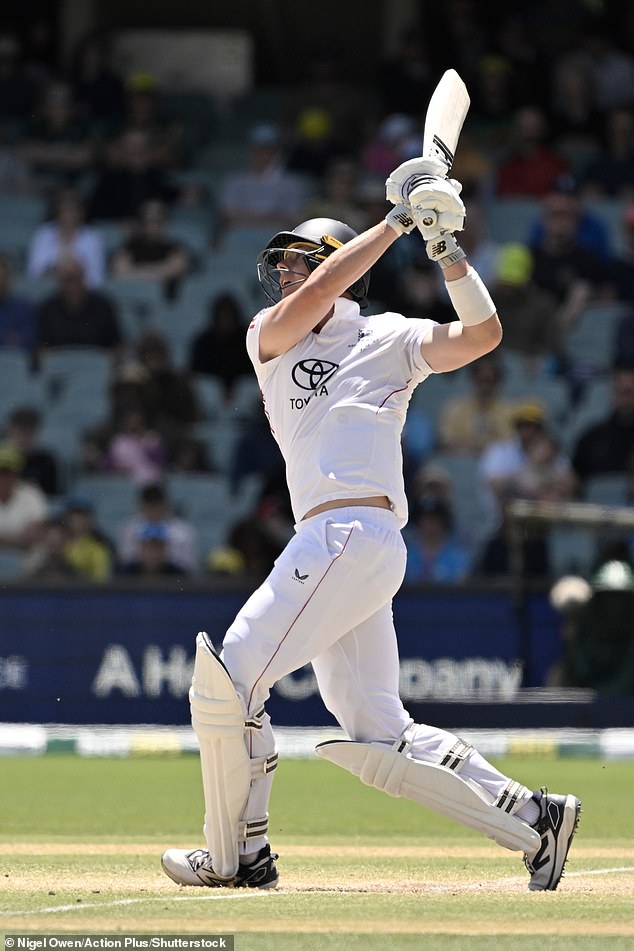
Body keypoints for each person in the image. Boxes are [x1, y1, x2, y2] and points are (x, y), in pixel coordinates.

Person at [161, 156, 580, 893]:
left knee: (227, 681)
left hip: (352, 536)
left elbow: (481, 335)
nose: (287, 276)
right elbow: (319, 293)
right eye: (282, 266)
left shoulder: (387, 336)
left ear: (343, 268)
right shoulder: (272, 335)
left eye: (299, 263)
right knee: (379, 730)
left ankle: (237, 857)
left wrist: (445, 247)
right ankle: (535, 817)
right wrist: (396, 220)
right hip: (337, 545)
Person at [110, 198, 191, 299]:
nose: (150, 226)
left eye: (156, 221)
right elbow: (119, 274)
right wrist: (158, 273)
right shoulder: (127, 248)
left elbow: (175, 269)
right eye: (146, 221)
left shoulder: (177, 249)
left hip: (166, 304)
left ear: (165, 223)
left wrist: (135, 272)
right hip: (131, 299)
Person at [27, 188, 106, 289]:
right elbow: (33, 274)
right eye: (64, 210)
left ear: (81, 213)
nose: (68, 215)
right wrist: (56, 269)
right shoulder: (43, 235)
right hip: (48, 293)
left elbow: (97, 279)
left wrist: (75, 271)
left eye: (72, 210)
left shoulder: (93, 239)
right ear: (57, 212)